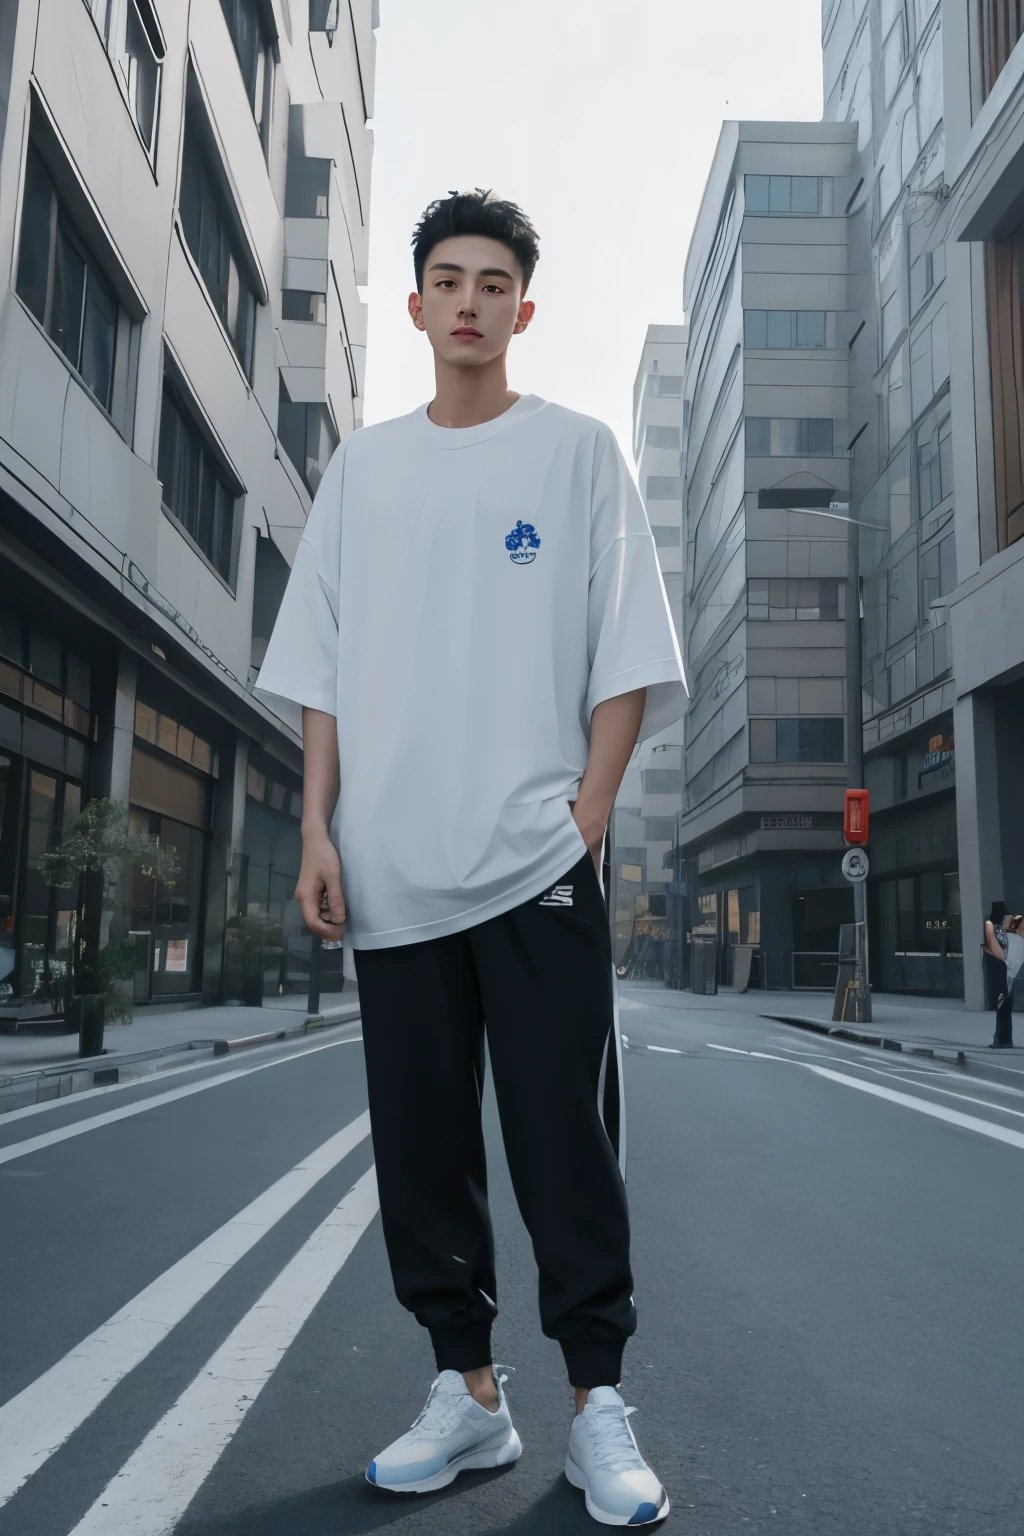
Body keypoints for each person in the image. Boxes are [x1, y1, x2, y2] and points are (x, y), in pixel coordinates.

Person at [256, 189, 685, 1526]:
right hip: (393, 874)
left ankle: (597, 1409)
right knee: (425, 1149)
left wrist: (589, 814)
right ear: (417, 301)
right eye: (449, 278)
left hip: (533, 864)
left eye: (494, 283)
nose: (469, 301)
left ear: (523, 308)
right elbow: (321, 669)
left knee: (565, 1141)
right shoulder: (366, 472)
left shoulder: (575, 454)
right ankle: (468, 1394)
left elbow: (629, 652)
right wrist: (320, 826)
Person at [983, 901, 1014, 1048]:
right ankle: (1005, 1038)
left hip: (1000, 971)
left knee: (1001, 1006)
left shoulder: (992, 927)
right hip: (1009, 972)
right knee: (1005, 1008)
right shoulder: (1010, 927)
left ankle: (1001, 1039)